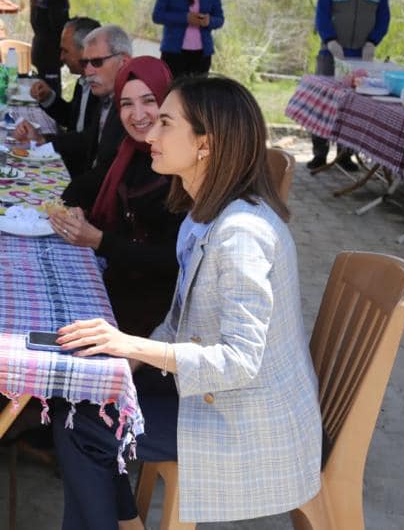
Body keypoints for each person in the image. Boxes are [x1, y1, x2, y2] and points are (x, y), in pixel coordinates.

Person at [52, 76, 321, 529]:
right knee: (82, 399)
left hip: (243, 418)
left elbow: (240, 363)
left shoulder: (241, 233)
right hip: (211, 394)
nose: (150, 134)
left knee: (84, 427)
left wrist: (131, 347)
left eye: (164, 123)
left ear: (205, 145)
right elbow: (178, 322)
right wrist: (126, 360)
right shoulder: (203, 215)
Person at [48, 56, 181, 337]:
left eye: (149, 101)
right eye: (126, 104)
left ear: (168, 103)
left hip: (155, 315)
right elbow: (85, 186)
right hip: (114, 284)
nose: (138, 114)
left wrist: (99, 241)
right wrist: (70, 210)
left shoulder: (180, 165)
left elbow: (175, 261)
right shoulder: (130, 151)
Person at [19, 25, 131, 208]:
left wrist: (67, 199)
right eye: (85, 63)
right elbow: (87, 138)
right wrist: (43, 140)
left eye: (96, 62)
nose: (88, 71)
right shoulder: (108, 95)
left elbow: (110, 170)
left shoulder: (132, 107)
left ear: (124, 62)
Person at [310, 0, 390, 171]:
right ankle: (319, 153)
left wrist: (372, 42)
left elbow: (383, 18)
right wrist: (330, 40)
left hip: (360, 58)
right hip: (331, 54)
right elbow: (321, 15)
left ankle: (345, 154)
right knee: (323, 103)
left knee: (352, 107)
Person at [30, 0, 71, 95]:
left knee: (42, 91)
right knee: (50, 95)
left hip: (40, 51)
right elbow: (61, 27)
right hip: (50, 55)